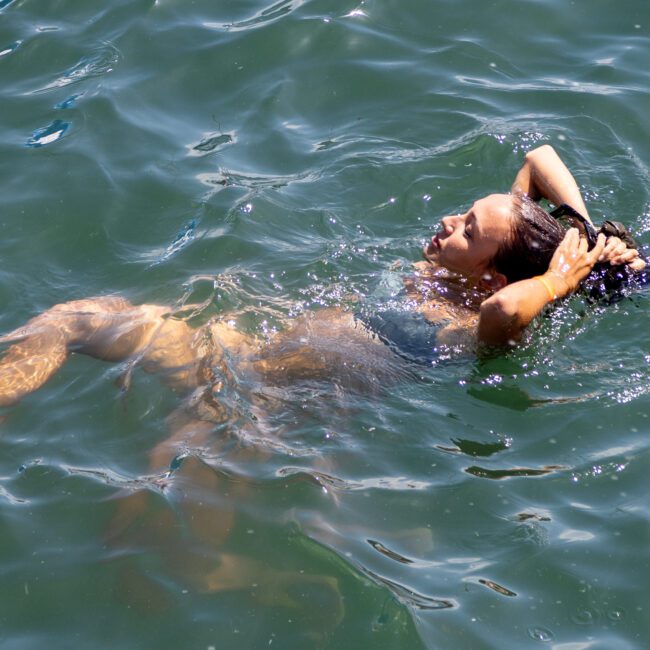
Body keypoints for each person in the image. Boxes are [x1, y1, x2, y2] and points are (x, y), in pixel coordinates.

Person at [0, 145, 643, 422]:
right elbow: (538, 158)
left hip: (269, 398)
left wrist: (563, 279)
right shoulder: (451, 270)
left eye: (468, 228)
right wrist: (581, 231)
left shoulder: (471, 325)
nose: (449, 222)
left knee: (84, 320)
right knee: (82, 316)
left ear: (491, 268)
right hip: (250, 358)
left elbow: (510, 306)